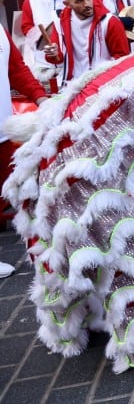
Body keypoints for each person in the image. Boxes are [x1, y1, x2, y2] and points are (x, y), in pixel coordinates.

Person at [0, 20, 49, 279]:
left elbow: (16, 70)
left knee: (4, 188)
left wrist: (40, 97)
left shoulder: (0, 31)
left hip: (2, 125)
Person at [45, 0, 130, 87]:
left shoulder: (110, 21)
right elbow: (58, 58)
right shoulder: (60, 21)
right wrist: (52, 53)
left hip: (103, 84)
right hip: (71, 84)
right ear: (67, 4)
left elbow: (122, 58)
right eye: (79, 1)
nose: (87, 4)